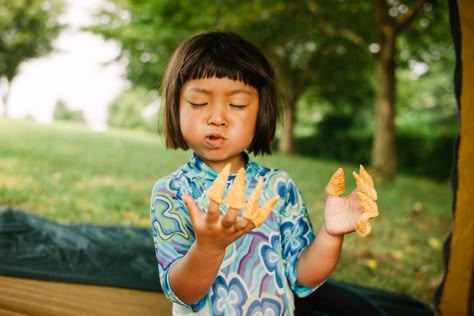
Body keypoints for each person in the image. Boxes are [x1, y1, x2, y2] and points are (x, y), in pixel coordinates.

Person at [150, 31, 362, 315]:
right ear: (175, 107)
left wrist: (331, 234)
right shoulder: (173, 191)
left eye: (237, 104)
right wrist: (208, 248)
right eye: (199, 102)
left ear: (262, 111)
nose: (217, 118)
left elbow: (303, 278)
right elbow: (183, 293)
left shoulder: (278, 187)